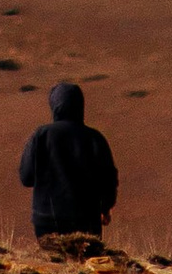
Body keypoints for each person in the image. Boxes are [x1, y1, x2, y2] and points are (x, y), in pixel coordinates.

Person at [18, 78, 118, 247]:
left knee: (53, 267)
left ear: (54, 105)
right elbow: (108, 179)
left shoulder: (41, 135)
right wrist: (105, 207)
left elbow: (26, 177)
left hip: (46, 219)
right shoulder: (95, 138)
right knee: (85, 266)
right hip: (86, 220)